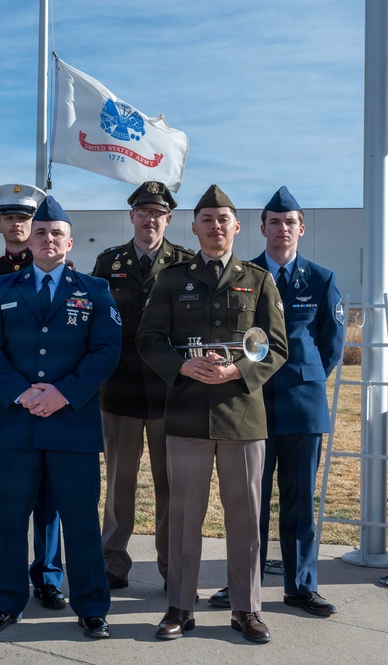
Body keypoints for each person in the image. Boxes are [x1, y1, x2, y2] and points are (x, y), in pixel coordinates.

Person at [137, 184, 288, 644]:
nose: (215, 226)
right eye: (207, 219)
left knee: (244, 519)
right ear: (195, 226)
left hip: (241, 416)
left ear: (236, 227)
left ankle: (247, 609)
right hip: (185, 414)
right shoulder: (171, 279)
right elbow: (149, 339)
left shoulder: (259, 280)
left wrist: (237, 371)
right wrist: (182, 365)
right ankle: (180, 606)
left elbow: (277, 347)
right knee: (183, 516)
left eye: (223, 219)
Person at [0, 201, 120, 638]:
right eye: (41, 233)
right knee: (10, 519)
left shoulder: (95, 290)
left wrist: (62, 393)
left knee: (79, 520)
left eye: (57, 233)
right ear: (29, 240)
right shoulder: (0, 287)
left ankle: (92, 607)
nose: (48, 239)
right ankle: (6, 602)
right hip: (14, 423)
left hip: (71, 423)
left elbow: (106, 350)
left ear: (70, 242)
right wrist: (21, 392)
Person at [208, 186, 344, 617]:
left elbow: (331, 346)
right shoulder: (243, 275)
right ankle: (242, 584)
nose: (282, 229)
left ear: (300, 228)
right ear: (261, 228)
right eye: (274, 222)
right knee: (249, 500)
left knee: (299, 498)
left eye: (290, 222)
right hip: (251, 403)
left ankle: (301, 586)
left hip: (302, 406)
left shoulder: (321, 280)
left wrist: (302, 378)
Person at [0, 185, 66, 610]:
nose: (17, 225)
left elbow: (67, 342)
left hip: (51, 404)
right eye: (9, 218)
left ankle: (47, 574)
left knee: (49, 497)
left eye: (24, 219)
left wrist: (50, 393)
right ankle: (2, 570)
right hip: (6, 404)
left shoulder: (62, 269)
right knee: (6, 497)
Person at [91, 181, 194, 590]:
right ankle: (113, 563)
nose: (150, 219)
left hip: (172, 393)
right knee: (118, 484)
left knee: (172, 486)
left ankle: (172, 566)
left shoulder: (185, 264)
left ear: (168, 219)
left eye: (158, 213)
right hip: (120, 392)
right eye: (143, 211)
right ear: (131, 216)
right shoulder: (108, 262)